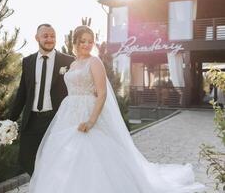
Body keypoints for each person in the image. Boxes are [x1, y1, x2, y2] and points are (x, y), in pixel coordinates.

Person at [28, 25, 207, 193]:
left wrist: (91, 120)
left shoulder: (95, 61)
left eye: (90, 41)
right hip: (68, 113)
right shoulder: (73, 65)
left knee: (91, 152)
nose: (87, 45)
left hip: (88, 111)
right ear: (75, 42)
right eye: (83, 41)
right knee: (67, 155)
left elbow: (102, 93)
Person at [9, 23, 74, 175]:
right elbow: (22, 93)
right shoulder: (28, 61)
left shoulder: (68, 61)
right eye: (45, 36)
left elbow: (75, 90)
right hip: (32, 120)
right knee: (26, 159)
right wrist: (10, 120)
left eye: (52, 36)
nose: (49, 39)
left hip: (55, 119)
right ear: (37, 38)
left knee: (56, 161)